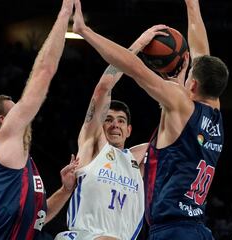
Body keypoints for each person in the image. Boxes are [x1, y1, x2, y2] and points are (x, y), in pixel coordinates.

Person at [72, 0, 229, 239]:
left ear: (194, 84)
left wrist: (86, 32)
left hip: (172, 229)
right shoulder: (215, 112)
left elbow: (133, 67)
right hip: (198, 228)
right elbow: (202, 55)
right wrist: (193, 7)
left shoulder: (180, 104)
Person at [0, 0, 78, 239]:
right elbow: (43, 72)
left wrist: (65, 190)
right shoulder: (3, 138)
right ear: (2, 120)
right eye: (15, 109)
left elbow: (37, 218)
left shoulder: (1, 159)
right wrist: (64, 14)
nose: (24, 113)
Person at [55, 25, 170, 240]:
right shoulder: (93, 145)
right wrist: (140, 44)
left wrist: (177, 83)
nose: (114, 125)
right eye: (108, 120)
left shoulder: (140, 156)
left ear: (129, 130)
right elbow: (103, 87)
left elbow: (174, 120)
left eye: (120, 121)